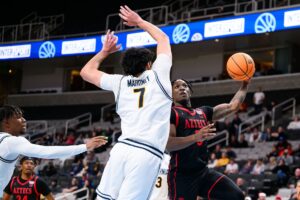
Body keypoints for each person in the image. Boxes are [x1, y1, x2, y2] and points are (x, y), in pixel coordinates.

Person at [80, 5, 172, 200]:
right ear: (149, 64)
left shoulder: (119, 82)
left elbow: (85, 73)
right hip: (146, 153)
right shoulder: (159, 76)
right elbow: (163, 38)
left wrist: (105, 51)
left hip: (121, 149)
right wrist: (139, 21)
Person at [0, 105, 107, 197]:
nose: (24, 119)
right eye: (18, 117)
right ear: (7, 123)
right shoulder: (11, 142)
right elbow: (47, 152)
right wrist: (85, 147)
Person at [167, 79, 249, 200]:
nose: (182, 88)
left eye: (185, 86)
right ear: (171, 93)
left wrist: (245, 85)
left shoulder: (203, 112)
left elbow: (233, 106)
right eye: (176, 87)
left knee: (236, 196)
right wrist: (195, 137)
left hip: (203, 172)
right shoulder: (171, 113)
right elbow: (169, 144)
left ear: (190, 91)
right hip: (181, 176)